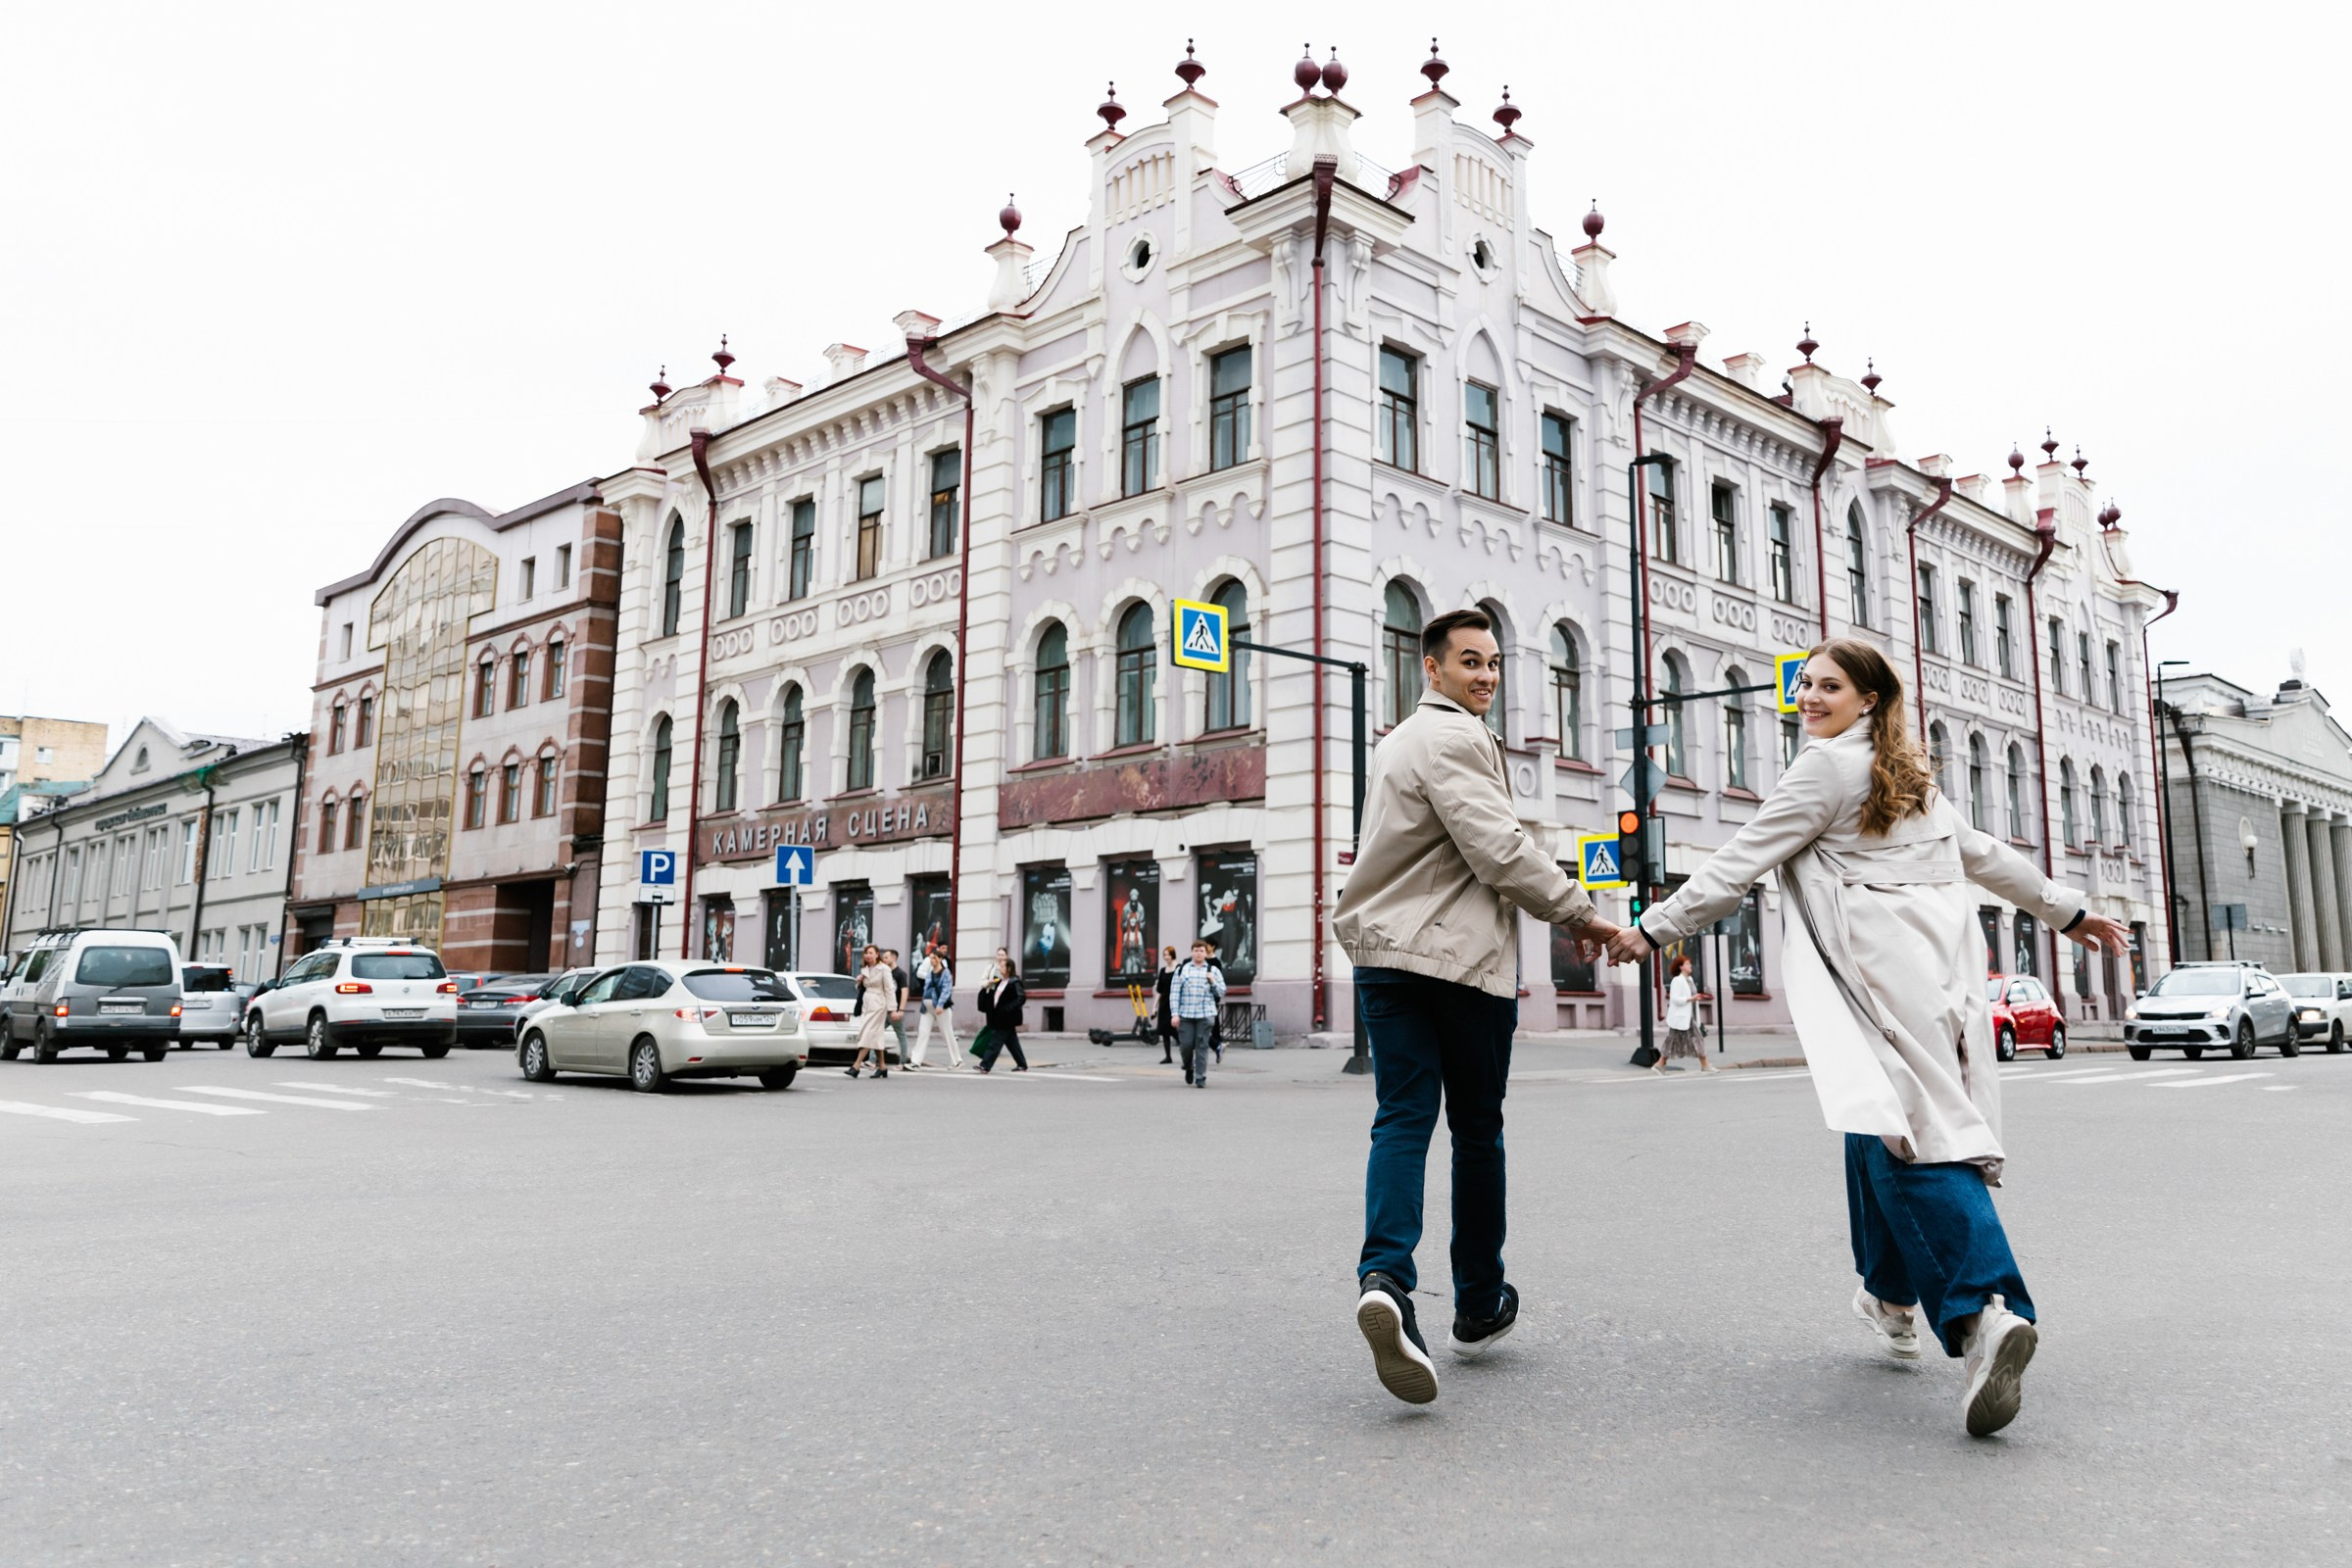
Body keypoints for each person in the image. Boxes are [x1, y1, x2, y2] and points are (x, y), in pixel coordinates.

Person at [1601, 638, 2130, 1438]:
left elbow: (1741, 860)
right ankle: (1887, 1296)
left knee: (1915, 1136)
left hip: (1873, 974)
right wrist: (2067, 909)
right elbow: (1983, 855)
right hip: (1939, 970)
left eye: (1828, 687)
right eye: (1805, 685)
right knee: (1872, 1118)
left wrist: (1652, 927)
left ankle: (1986, 1312)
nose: (1808, 698)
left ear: (1869, 700)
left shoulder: (1821, 770)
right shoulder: (1905, 775)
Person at [1332, 607, 1618, 1405]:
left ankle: (1385, 1276)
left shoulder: (1394, 743)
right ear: (1432, 668)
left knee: (1400, 1118)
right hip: (1455, 964)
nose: (1486, 675)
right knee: (1476, 1132)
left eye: (1493, 662)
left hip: (1385, 961)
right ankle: (1477, 1301)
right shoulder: (1453, 738)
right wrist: (1579, 914)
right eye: (1469, 662)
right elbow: (1498, 850)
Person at [1170, 939, 1226, 1088]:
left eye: (1202, 951)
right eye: (1196, 950)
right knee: (1186, 1046)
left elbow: (1222, 991)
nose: (1199, 953)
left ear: (1206, 953)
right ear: (1192, 952)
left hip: (1205, 1015)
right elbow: (1174, 993)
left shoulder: (1213, 971)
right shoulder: (1182, 970)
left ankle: (1201, 1077)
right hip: (1186, 1015)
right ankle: (1188, 1066)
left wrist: (1213, 982)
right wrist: (1174, 1014)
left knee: (1202, 1045)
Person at [845, 945, 899, 1079]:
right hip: (867, 1004)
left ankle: (856, 1066)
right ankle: (882, 1067)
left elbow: (889, 989)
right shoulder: (865, 969)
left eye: (870, 953)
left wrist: (892, 1009)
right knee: (875, 1035)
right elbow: (862, 988)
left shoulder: (884, 969)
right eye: (866, 953)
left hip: (879, 1004)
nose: (868, 955)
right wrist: (859, 982)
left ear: (876, 955)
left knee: (867, 1033)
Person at [1660, 955, 1713, 1074]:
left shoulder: (1690, 980)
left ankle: (1660, 1064)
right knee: (1675, 1040)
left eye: (1690, 964)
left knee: (1678, 1040)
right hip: (1681, 1017)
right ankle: (1705, 1065)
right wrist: (1691, 999)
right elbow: (1675, 999)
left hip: (1690, 1016)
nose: (1690, 966)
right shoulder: (1677, 980)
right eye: (1687, 964)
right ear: (1681, 967)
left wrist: (1696, 998)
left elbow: (1691, 996)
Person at [976, 953, 1027, 1073]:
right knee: (1012, 1043)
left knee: (995, 1042)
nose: (1000, 968)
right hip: (1000, 1017)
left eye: (1003, 966)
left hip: (1007, 1018)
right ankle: (1022, 1064)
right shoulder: (1000, 981)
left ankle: (985, 1065)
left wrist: (1007, 1009)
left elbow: (1021, 998)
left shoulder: (1014, 982)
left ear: (1009, 968)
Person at [911, 948, 957, 1069]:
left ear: (940, 959)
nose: (931, 960)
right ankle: (915, 1062)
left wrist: (940, 1004)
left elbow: (947, 989)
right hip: (927, 1008)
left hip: (940, 1008)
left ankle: (957, 1061)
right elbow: (927, 990)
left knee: (947, 1034)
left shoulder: (945, 973)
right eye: (930, 958)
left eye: (934, 958)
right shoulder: (930, 973)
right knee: (923, 1033)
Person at [884, 948, 911, 1068]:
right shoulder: (885, 973)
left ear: (894, 958)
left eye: (886, 957)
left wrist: (901, 1010)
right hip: (885, 1009)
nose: (884, 960)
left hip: (895, 1010)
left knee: (901, 1035)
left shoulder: (900, 974)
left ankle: (903, 1062)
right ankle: (872, 1060)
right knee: (876, 1032)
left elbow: (904, 991)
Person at [1154, 946, 1179, 1065]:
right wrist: (1154, 1007)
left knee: (1174, 1029)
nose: (1166, 957)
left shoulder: (1179, 968)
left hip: (1175, 1001)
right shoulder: (1163, 971)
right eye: (1164, 955)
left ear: (1173, 955)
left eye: (1168, 954)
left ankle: (1188, 1052)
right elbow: (1159, 990)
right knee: (1164, 1030)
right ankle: (1168, 1056)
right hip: (1164, 1002)